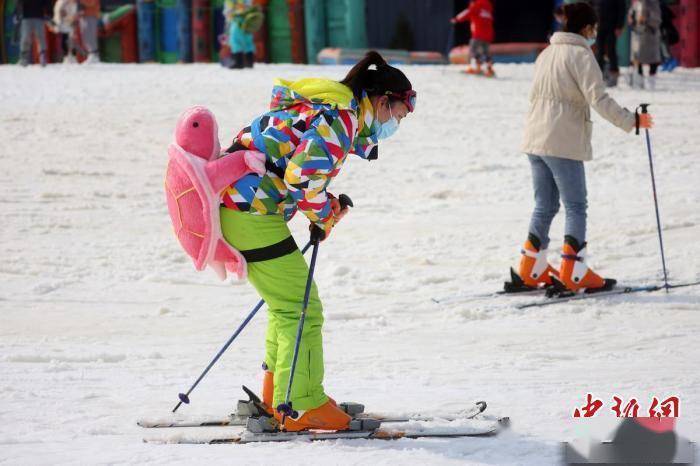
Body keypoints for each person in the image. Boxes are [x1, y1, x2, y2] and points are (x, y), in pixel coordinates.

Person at [219, 51, 415, 431]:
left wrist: (323, 210)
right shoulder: (340, 118)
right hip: (249, 212)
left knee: (286, 305)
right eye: (396, 115)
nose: (395, 124)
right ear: (381, 100)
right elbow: (302, 179)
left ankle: (281, 396)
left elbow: (301, 173)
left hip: (244, 209)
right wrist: (324, 212)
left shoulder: (333, 110)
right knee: (302, 307)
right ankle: (301, 405)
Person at [512, 2, 653, 294]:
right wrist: (632, 121)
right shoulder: (581, 55)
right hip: (561, 141)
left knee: (545, 205)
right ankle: (573, 270)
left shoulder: (547, 53)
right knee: (576, 205)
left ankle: (529, 267)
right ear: (587, 28)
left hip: (535, 139)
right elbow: (598, 99)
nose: (595, 33)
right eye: (595, 28)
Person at [451, 0, 495, 77]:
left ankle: (477, 68)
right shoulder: (487, 6)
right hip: (488, 35)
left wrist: (456, 19)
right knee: (484, 52)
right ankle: (488, 69)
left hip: (478, 34)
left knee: (474, 51)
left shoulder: (477, 5)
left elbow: (467, 12)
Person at [627, 0, 662, 90]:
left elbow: (657, 18)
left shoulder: (653, 3)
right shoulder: (636, 3)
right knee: (637, 58)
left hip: (651, 35)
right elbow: (631, 13)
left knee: (653, 59)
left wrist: (646, 21)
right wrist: (631, 18)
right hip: (638, 34)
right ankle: (639, 80)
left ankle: (651, 81)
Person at [592, 0, 627, 87]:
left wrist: (619, 26)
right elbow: (591, 7)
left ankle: (614, 75)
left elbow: (622, 9)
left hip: (612, 26)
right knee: (599, 52)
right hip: (599, 27)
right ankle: (599, 76)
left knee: (611, 51)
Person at [18, 0, 53, 66]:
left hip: (39, 16)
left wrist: (49, 13)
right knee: (25, 37)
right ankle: (24, 56)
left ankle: (42, 55)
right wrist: (17, 13)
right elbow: (19, 3)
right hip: (26, 17)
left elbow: (47, 2)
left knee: (40, 36)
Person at [223, 0, 257, 68]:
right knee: (248, 40)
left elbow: (229, 9)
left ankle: (238, 62)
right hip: (248, 19)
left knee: (235, 40)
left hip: (237, 18)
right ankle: (249, 62)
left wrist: (228, 19)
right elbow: (250, 6)